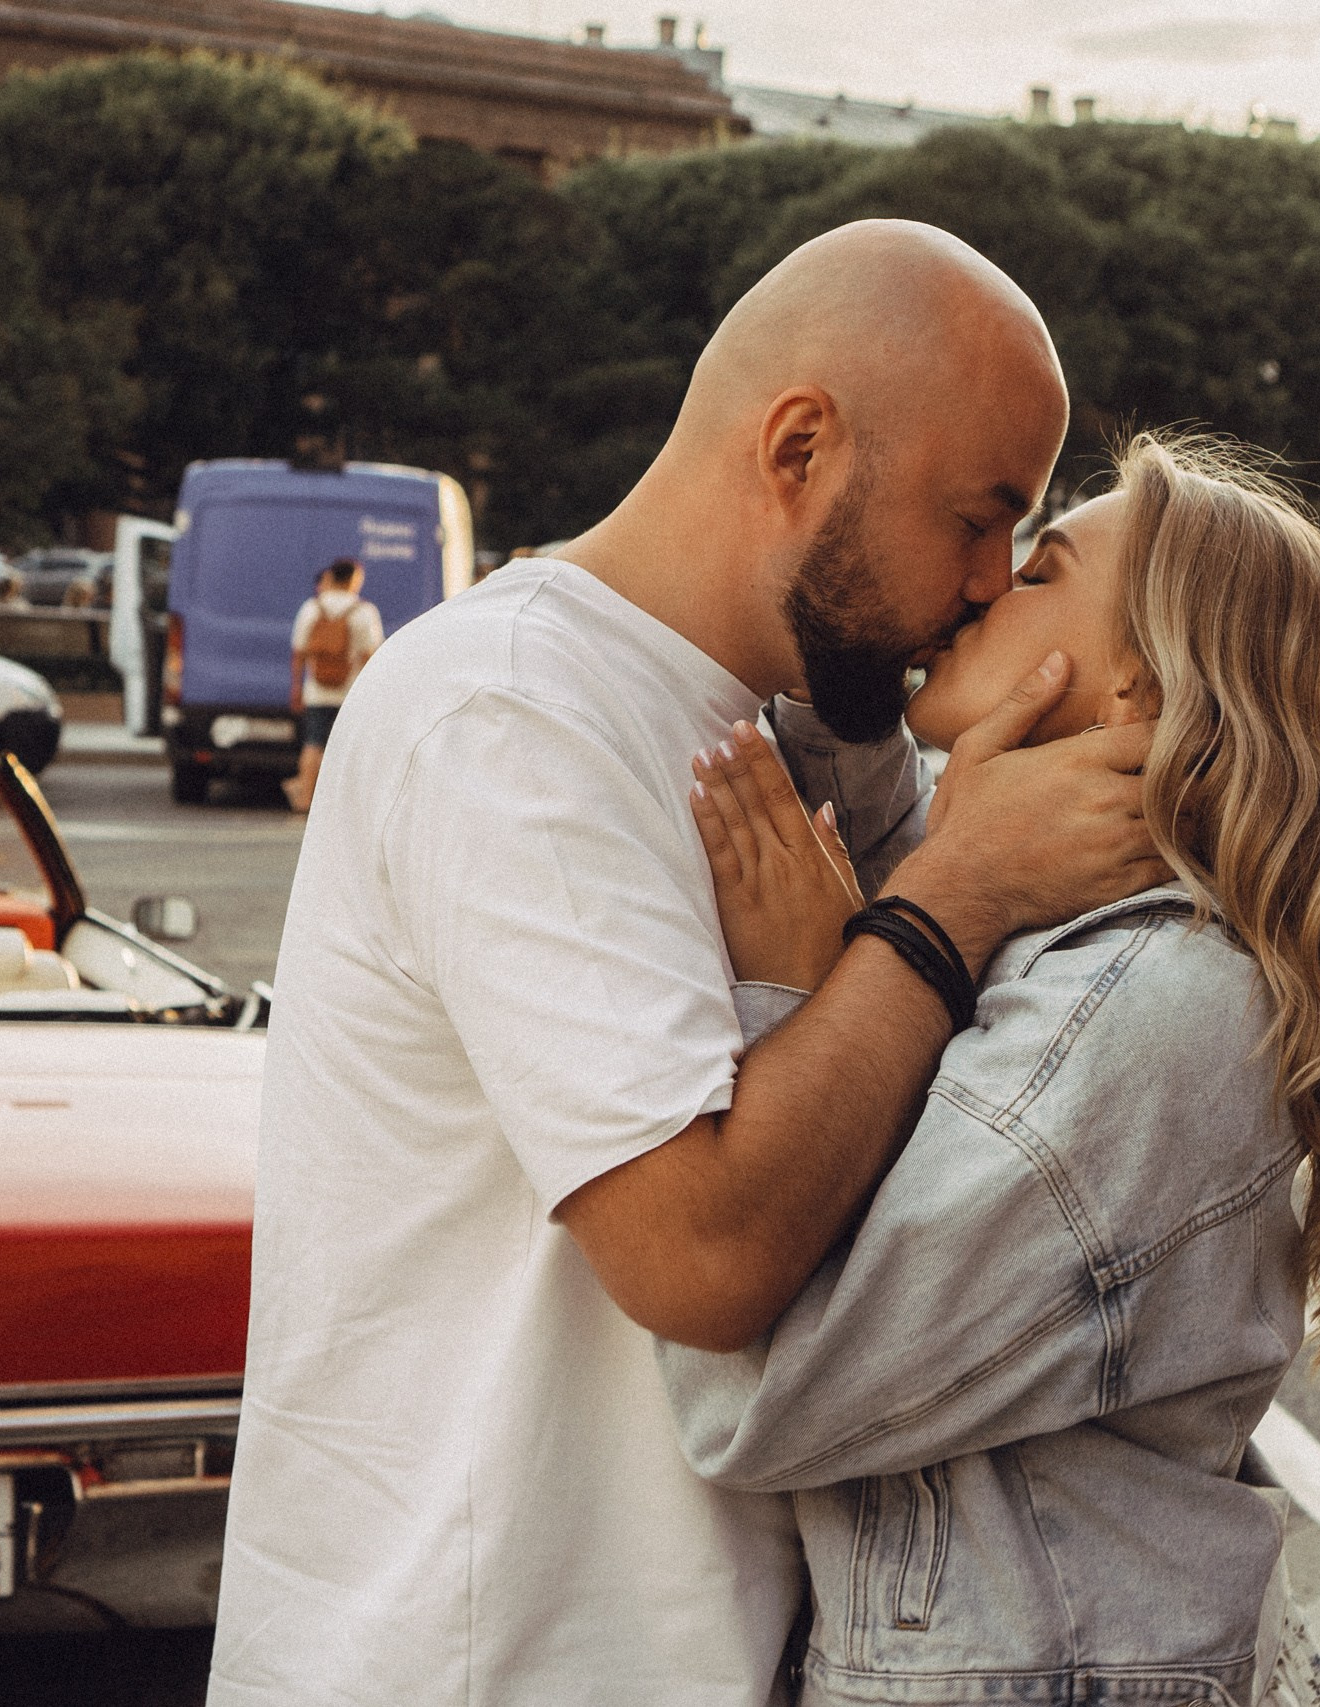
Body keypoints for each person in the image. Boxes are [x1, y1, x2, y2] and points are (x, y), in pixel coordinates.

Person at [208, 220, 1165, 1707]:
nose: (988, 584)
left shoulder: (815, 725)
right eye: (980, 516)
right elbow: (697, 1252)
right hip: (493, 1657)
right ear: (799, 449)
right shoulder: (516, 713)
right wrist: (948, 897)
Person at [657, 433, 1320, 1706]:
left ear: (1133, 687)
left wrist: (809, 991)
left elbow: (763, 1398)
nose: (982, 586)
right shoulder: (1083, 941)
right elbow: (907, 825)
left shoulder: (1143, 1012)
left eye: (1039, 574)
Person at [283, 558, 385, 812]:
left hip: (316, 692)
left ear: (331, 577)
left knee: (313, 745)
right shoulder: (364, 611)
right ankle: (344, 806)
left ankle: (305, 799)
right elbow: (369, 655)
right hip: (350, 694)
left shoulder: (311, 607)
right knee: (349, 749)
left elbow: (299, 652)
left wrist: (296, 688)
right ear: (354, 579)